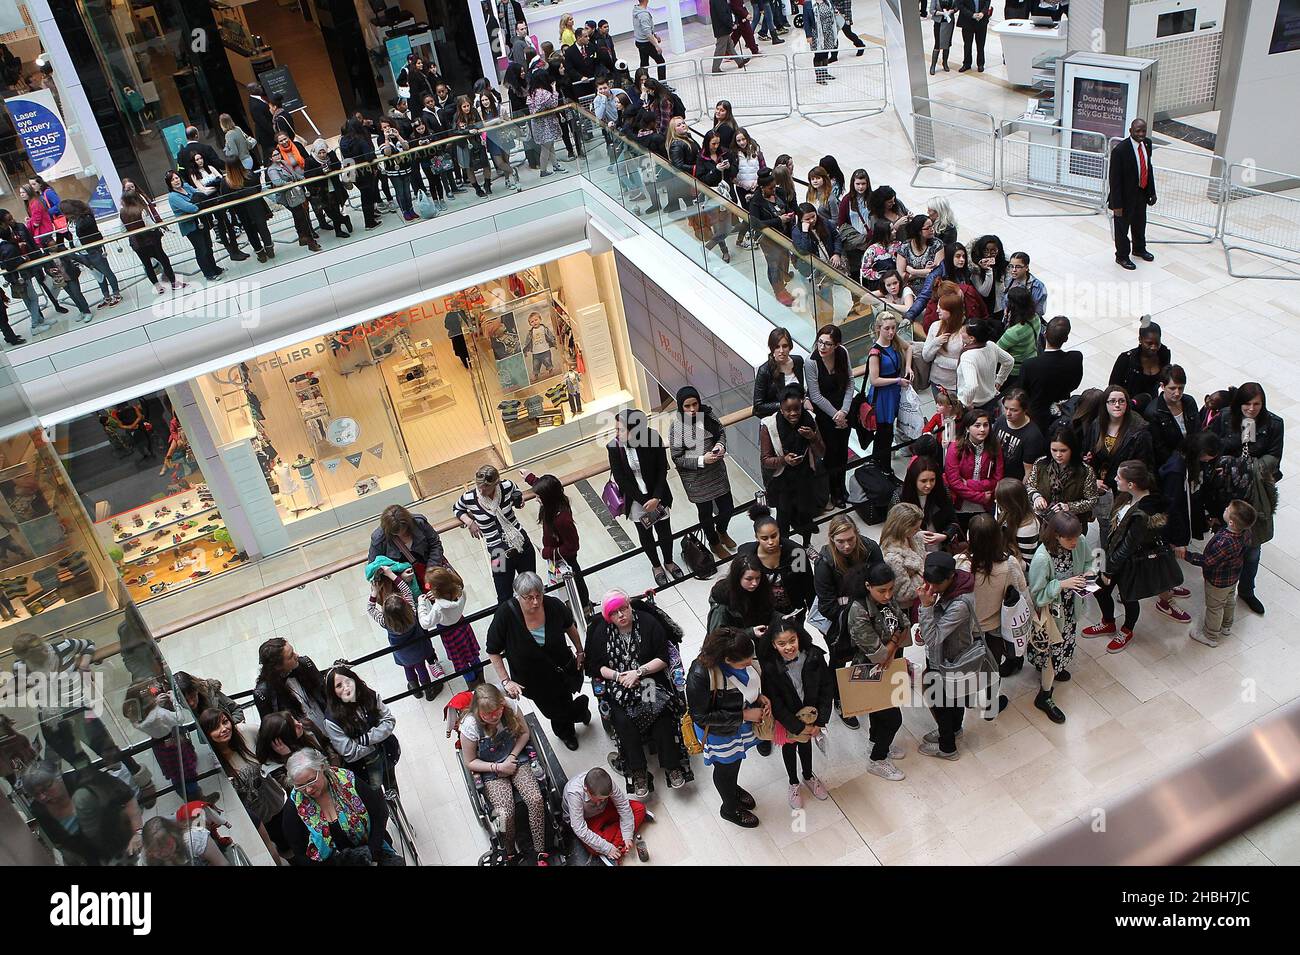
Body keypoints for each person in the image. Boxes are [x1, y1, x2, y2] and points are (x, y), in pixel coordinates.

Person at [585, 590, 687, 796]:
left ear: (630, 606)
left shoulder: (649, 623)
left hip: (648, 680)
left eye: (624, 609)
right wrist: (618, 676)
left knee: (658, 713)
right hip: (618, 684)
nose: (621, 615)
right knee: (622, 721)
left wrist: (638, 672)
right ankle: (638, 770)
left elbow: (663, 657)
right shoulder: (601, 632)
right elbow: (596, 667)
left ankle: (672, 765)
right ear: (608, 616)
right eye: (614, 613)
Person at [1084, 460, 1184, 654]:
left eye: (1118, 477)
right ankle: (1108, 622)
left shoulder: (1143, 513)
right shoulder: (1127, 497)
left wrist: (1108, 569)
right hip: (1111, 554)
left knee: (1129, 597)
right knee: (1097, 589)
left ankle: (1127, 629)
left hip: (1130, 562)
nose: (1114, 479)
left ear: (1131, 484)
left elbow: (1128, 547)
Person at [487, 572, 590, 750]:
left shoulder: (553, 605)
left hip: (560, 671)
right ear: (518, 596)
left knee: (564, 701)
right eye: (529, 598)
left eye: (539, 595)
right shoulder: (506, 614)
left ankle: (567, 733)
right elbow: (493, 650)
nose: (535, 602)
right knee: (550, 710)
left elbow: (568, 626)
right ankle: (580, 711)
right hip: (532, 680)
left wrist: (580, 650)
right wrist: (506, 680)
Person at [459, 682, 552, 864]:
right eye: (488, 714)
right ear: (478, 710)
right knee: (504, 813)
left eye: (497, 711)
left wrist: (511, 756)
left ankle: (540, 849)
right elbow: (470, 762)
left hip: (515, 756)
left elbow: (525, 734)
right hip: (489, 768)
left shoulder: (509, 706)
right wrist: (498, 767)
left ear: (501, 704)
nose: (494, 717)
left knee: (535, 798)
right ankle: (509, 849)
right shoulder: (470, 725)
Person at [687, 627, 767, 828]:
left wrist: (759, 696)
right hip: (719, 733)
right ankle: (730, 808)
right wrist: (743, 715)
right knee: (725, 768)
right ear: (726, 659)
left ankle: (733, 788)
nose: (750, 663)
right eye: (745, 662)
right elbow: (701, 716)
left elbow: (749, 683)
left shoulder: (741, 651)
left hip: (738, 725)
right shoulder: (700, 674)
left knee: (735, 762)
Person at [1027, 511, 1094, 723]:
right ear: (1056, 535)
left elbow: (1089, 562)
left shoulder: (1079, 541)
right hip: (1051, 615)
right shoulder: (1042, 557)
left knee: (1064, 645)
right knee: (1051, 651)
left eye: (1076, 536)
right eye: (1069, 538)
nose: (1075, 542)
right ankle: (1045, 695)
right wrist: (1062, 584)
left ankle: (1053, 670)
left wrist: (1088, 574)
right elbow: (1037, 595)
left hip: (1069, 608)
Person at [759, 619, 832, 807]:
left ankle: (808, 776)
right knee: (789, 747)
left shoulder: (814, 656)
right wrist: (797, 726)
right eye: (782, 643)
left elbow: (826, 688)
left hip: (811, 714)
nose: (789, 647)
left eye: (792, 641)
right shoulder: (770, 667)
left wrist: (819, 722)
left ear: (799, 638)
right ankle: (793, 782)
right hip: (788, 718)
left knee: (806, 744)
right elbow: (775, 701)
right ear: (774, 645)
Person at [200, 708, 288, 864]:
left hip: (277, 803)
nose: (223, 729)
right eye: (215, 727)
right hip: (257, 819)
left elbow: (270, 734)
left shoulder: (245, 733)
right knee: (278, 848)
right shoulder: (212, 762)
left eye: (225, 722)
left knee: (292, 841)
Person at [282, 748, 395, 866]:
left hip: (374, 853)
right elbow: (300, 853)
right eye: (300, 786)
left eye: (311, 781)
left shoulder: (347, 781)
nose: (308, 789)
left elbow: (379, 814)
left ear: (321, 767)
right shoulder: (293, 809)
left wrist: (372, 854)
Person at [607, 408, 682, 585]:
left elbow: (661, 469)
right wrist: (644, 501)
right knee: (645, 533)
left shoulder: (652, 438)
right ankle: (656, 566)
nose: (616, 433)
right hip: (636, 499)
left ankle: (669, 562)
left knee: (664, 530)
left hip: (658, 494)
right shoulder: (614, 447)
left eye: (621, 429)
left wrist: (655, 498)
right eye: (616, 429)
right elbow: (620, 478)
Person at [23, 762, 144, 865]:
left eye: (46, 788)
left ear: (58, 777)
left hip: (126, 846)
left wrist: (137, 833)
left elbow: (127, 797)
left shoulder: (87, 780)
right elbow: (59, 843)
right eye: (36, 794)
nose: (43, 797)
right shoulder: (39, 810)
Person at [670, 385, 736, 561]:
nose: (692, 409)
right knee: (705, 513)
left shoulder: (708, 415)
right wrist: (701, 460)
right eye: (687, 406)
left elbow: (721, 433)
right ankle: (714, 542)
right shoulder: (677, 428)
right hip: (697, 479)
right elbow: (676, 458)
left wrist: (719, 446)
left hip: (717, 473)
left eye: (695, 404)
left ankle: (721, 531)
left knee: (728, 507)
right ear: (680, 407)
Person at [956, 513, 1028, 674]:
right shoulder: (1009, 564)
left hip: (969, 628)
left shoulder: (960, 565)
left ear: (970, 538)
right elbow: (1022, 589)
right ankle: (993, 698)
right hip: (997, 627)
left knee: (971, 669)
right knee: (994, 667)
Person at [1178, 500, 1256, 648]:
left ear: (1232, 522)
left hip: (1218, 580)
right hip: (1233, 576)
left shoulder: (1224, 542)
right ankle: (1227, 626)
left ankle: (1211, 635)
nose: (1225, 508)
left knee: (1215, 607)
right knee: (1229, 599)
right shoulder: (1245, 532)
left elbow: (1208, 561)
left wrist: (1186, 555)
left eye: (1227, 509)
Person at [454, 464, 536, 602]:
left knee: (531, 588)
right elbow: (457, 509)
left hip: (521, 543)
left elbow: (517, 493)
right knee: (504, 595)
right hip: (498, 551)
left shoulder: (507, 486)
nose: (481, 490)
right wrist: (469, 522)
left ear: (496, 483)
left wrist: (519, 500)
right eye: (479, 486)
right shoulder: (469, 497)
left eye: (486, 487)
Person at [366, 561, 446, 699]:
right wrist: (391, 574)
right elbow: (406, 589)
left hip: (402, 653)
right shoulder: (413, 612)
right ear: (406, 605)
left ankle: (415, 690)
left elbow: (370, 609)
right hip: (419, 648)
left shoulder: (385, 622)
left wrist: (374, 592)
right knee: (421, 668)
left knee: (408, 668)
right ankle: (429, 692)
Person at [760, 386, 826, 546]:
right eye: (788, 410)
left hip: (805, 476)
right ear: (781, 409)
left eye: (797, 409)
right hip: (783, 480)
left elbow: (821, 452)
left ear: (802, 404)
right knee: (783, 517)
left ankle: (806, 545)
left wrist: (812, 437)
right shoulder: (769, 425)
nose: (793, 413)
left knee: (806, 513)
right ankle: (784, 549)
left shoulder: (810, 419)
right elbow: (765, 459)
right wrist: (784, 460)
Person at [322, 664, 396, 795]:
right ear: (332, 692)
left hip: (387, 754)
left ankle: (397, 811)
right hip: (364, 768)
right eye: (339, 686)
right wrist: (377, 742)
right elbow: (349, 752)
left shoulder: (370, 696)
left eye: (348, 681)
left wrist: (364, 739)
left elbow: (389, 721)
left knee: (392, 786)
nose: (346, 687)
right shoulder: (332, 720)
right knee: (375, 795)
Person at [735, 504, 815, 624]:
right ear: (756, 537)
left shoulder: (795, 553)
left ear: (779, 532)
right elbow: (738, 584)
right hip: (762, 613)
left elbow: (807, 584)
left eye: (774, 536)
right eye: (764, 538)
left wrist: (813, 612)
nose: (771, 542)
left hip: (793, 611)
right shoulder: (747, 555)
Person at [525, 472, 592, 614]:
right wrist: (531, 478)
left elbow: (573, 546)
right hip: (557, 555)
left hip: (565, 558)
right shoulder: (555, 503)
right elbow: (549, 488)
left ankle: (584, 605)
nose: (536, 499)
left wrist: (548, 552)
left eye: (539, 497)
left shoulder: (562, 519)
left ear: (547, 498)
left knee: (575, 578)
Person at [807, 324, 853, 508]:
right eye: (820, 342)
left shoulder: (843, 353)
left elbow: (850, 382)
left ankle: (841, 487)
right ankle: (833, 492)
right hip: (826, 415)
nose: (822, 347)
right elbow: (815, 395)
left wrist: (845, 411)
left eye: (827, 344)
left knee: (843, 452)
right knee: (831, 453)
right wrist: (836, 415)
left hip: (844, 410)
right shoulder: (811, 362)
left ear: (836, 345)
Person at [564, 767, 650, 863]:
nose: (600, 803)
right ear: (586, 790)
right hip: (588, 818)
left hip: (606, 809)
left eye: (604, 798)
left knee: (639, 808)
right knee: (592, 848)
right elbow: (580, 829)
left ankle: (618, 844)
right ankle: (626, 830)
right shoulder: (574, 794)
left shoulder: (607, 782)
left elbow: (623, 805)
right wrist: (607, 849)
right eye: (598, 799)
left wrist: (627, 835)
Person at [417, 565, 486, 684]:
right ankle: (481, 677)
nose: (427, 588)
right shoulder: (460, 591)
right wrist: (439, 595)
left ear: (436, 590)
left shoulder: (438, 608)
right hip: (463, 625)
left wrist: (421, 604)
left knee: (461, 662)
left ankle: (472, 684)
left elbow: (425, 623)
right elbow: (451, 589)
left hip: (449, 633)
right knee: (472, 654)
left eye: (429, 586)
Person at [1027, 423, 1099, 533]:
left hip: (1072, 526)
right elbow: (1029, 485)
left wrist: (1069, 507)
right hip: (1043, 524)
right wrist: (1036, 497)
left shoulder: (1085, 471)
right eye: (1054, 450)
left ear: (1072, 449)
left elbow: (1092, 500)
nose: (1058, 455)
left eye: (1063, 450)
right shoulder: (1041, 464)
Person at [865, 313, 913, 469]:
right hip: (882, 396)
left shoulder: (894, 341)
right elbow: (875, 380)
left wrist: (908, 367)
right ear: (879, 329)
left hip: (892, 392)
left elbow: (909, 348)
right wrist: (898, 380)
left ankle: (883, 467)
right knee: (883, 434)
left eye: (893, 328)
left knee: (888, 431)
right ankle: (880, 467)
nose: (891, 332)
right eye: (887, 329)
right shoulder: (875, 352)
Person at [1109, 117, 1157, 270]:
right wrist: (1117, 205)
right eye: (1138, 131)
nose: (1141, 134)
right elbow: (1114, 180)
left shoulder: (1147, 144)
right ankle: (1122, 256)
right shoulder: (1120, 151)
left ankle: (1139, 248)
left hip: (1141, 194)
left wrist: (1152, 192)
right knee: (1122, 229)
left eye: (1143, 130)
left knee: (1140, 223)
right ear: (1130, 131)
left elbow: (1148, 169)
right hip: (1124, 197)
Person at [1020, 316, 1083, 433]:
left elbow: (1023, 392)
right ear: (1066, 339)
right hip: (1063, 411)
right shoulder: (1075, 358)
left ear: (1044, 334)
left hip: (1037, 416)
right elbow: (1075, 384)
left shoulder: (1030, 365)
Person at [252, 638, 330, 732]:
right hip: (304, 735)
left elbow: (325, 692)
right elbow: (273, 728)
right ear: (277, 666)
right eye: (291, 656)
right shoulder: (264, 693)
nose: (297, 655)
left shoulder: (305, 663)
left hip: (326, 720)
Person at [945, 407, 1004, 524]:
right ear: (967, 428)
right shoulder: (955, 448)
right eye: (977, 426)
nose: (982, 429)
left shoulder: (995, 447)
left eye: (986, 425)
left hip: (985, 506)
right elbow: (955, 482)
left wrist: (971, 483)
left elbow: (998, 479)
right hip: (960, 503)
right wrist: (981, 497)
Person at [264, 136, 322, 251]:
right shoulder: (272, 169)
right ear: (270, 158)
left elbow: (295, 174)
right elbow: (277, 182)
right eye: (274, 155)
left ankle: (303, 237)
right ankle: (310, 242)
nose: (277, 156)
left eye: (277, 154)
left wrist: (304, 178)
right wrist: (290, 183)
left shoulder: (284, 163)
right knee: (301, 217)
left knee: (300, 216)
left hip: (295, 195)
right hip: (287, 197)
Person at [163, 170, 223, 281]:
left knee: (208, 246)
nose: (176, 181)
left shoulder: (185, 186)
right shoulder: (173, 196)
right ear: (169, 183)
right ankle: (208, 273)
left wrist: (198, 200)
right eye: (172, 180)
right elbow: (192, 208)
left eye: (177, 178)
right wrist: (199, 201)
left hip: (202, 221)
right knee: (201, 249)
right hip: (191, 227)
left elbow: (200, 195)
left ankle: (214, 267)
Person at [59, 198, 120, 307]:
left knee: (106, 271)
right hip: (81, 252)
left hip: (93, 249)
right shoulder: (71, 222)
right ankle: (106, 296)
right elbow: (72, 236)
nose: (64, 215)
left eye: (65, 213)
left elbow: (89, 230)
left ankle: (116, 294)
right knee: (97, 275)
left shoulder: (86, 218)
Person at [367, 503, 445, 585]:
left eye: (403, 531)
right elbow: (373, 569)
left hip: (430, 569)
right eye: (396, 533)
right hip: (404, 585)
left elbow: (435, 544)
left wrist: (431, 570)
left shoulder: (419, 523)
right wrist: (399, 577)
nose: (401, 535)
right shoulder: (379, 538)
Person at [898, 455, 961, 551]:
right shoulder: (900, 496)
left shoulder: (942, 493)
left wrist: (945, 535)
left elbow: (953, 521)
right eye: (923, 481)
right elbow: (893, 529)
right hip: (911, 550)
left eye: (932, 480)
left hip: (939, 548)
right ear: (914, 479)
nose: (928, 485)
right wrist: (914, 535)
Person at [708, 553, 776, 639]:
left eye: (758, 578)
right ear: (737, 577)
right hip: (736, 647)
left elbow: (769, 610)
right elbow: (718, 637)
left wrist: (780, 617)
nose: (754, 583)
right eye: (749, 579)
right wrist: (751, 633)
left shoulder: (761, 588)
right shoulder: (722, 600)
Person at [1109, 320, 1170, 412]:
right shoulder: (1126, 359)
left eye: (1157, 343)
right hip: (1128, 407)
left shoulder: (1164, 355)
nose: (1153, 347)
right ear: (1140, 339)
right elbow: (1112, 388)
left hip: (1151, 407)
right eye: (1149, 343)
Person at [956, 320, 1014, 414]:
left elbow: (971, 386)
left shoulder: (968, 356)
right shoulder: (991, 345)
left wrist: (967, 403)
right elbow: (1009, 361)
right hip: (990, 399)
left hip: (975, 405)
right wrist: (999, 381)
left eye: (963, 332)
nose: (960, 333)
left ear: (971, 338)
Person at [1146, 365, 1200, 464]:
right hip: (1171, 463)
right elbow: (1159, 447)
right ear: (1162, 386)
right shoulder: (1153, 412)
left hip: (1192, 456)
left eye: (1181, 388)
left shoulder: (1189, 401)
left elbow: (1197, 430)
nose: (1177, 393)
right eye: (1172, 388)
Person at [880, 502, 927, 614]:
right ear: (903, 527)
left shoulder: (913, 537)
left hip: (920, 600)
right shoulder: (892, 558)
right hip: (908, 609)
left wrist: (914, 573)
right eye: (915, 528)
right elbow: (903, 593)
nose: (918, 530)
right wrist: (924, 575)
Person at [752, 326, 806, 419]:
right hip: (776, 419)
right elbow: (758, 406)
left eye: (785, 346)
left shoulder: (798, 361)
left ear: (790, 347)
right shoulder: (764, 370)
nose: (781, 351)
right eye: (777, 347)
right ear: (772, 349)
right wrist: (784, 404)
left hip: (799, 415)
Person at [994, 388, 1046, 481]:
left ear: (1024, 410)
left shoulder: (1032, 436)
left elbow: (1029, 472)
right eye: (1006, 408)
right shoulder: (1001, 420)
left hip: (1014, 482)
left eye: (1014, 410)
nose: (1008, 413)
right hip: (996, 475)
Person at [140, 815, 229, 866]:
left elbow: (222, 863)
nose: (165, 852)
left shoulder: (194, 838)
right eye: (158, 852)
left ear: (174, 834)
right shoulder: (148, 859)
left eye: (167, 844)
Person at [996, 288, 1040, 388]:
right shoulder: (1036, 317)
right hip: (1030, 361)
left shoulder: (1014, 332)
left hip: (1014, 370)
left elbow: (996, 350)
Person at [995, 477, 1040, 569]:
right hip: (1005, 556)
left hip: (1018, 570)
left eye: (999, 500)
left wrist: (1002, 555)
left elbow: (1028, 565)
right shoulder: (1002, 508)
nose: (996, 501)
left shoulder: (1028, 528)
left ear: (1009, 503)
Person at [1003, 252, 1047, 317]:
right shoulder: (1009, 279)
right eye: (1011, 266)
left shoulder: (1037, 287)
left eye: (1018, 267)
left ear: (1026, 267)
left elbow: (1038, 312)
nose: (1013, 270)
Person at [632, 0, 666, 79]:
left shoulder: (636, 9)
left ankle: (642, 83)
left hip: (639, 42)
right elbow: (647, 32)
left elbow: (646, 27)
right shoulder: (643, 14)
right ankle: (663, 84)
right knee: (661, 61)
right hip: (645, 43)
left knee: (644, 64)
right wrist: (656, 46)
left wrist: (655, 35)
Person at [957, 0, 994, 71]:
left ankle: (980, 64)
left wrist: (982, 13)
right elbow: (960, 5)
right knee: (967, 44)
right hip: (967, 20)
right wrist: (972, 15)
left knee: (981, 44)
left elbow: (987, 2)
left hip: (981, 20)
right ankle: (967, 64)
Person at [709, 0, 745, 72]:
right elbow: (723, 15)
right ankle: (715, 69)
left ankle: (740, 62)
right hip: (722, 29)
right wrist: (731, 24)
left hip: (723, 28)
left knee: (730, 46)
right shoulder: (718, 1)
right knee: (720, 49)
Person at [928, 0, 957, 74]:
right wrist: (942, 13)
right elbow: (931, 10)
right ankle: (933, 65)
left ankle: (945, 63)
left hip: (949, 22)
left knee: (947, 43)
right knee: (937, 44)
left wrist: (951, 11)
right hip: (939, 22)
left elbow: (956, 7)